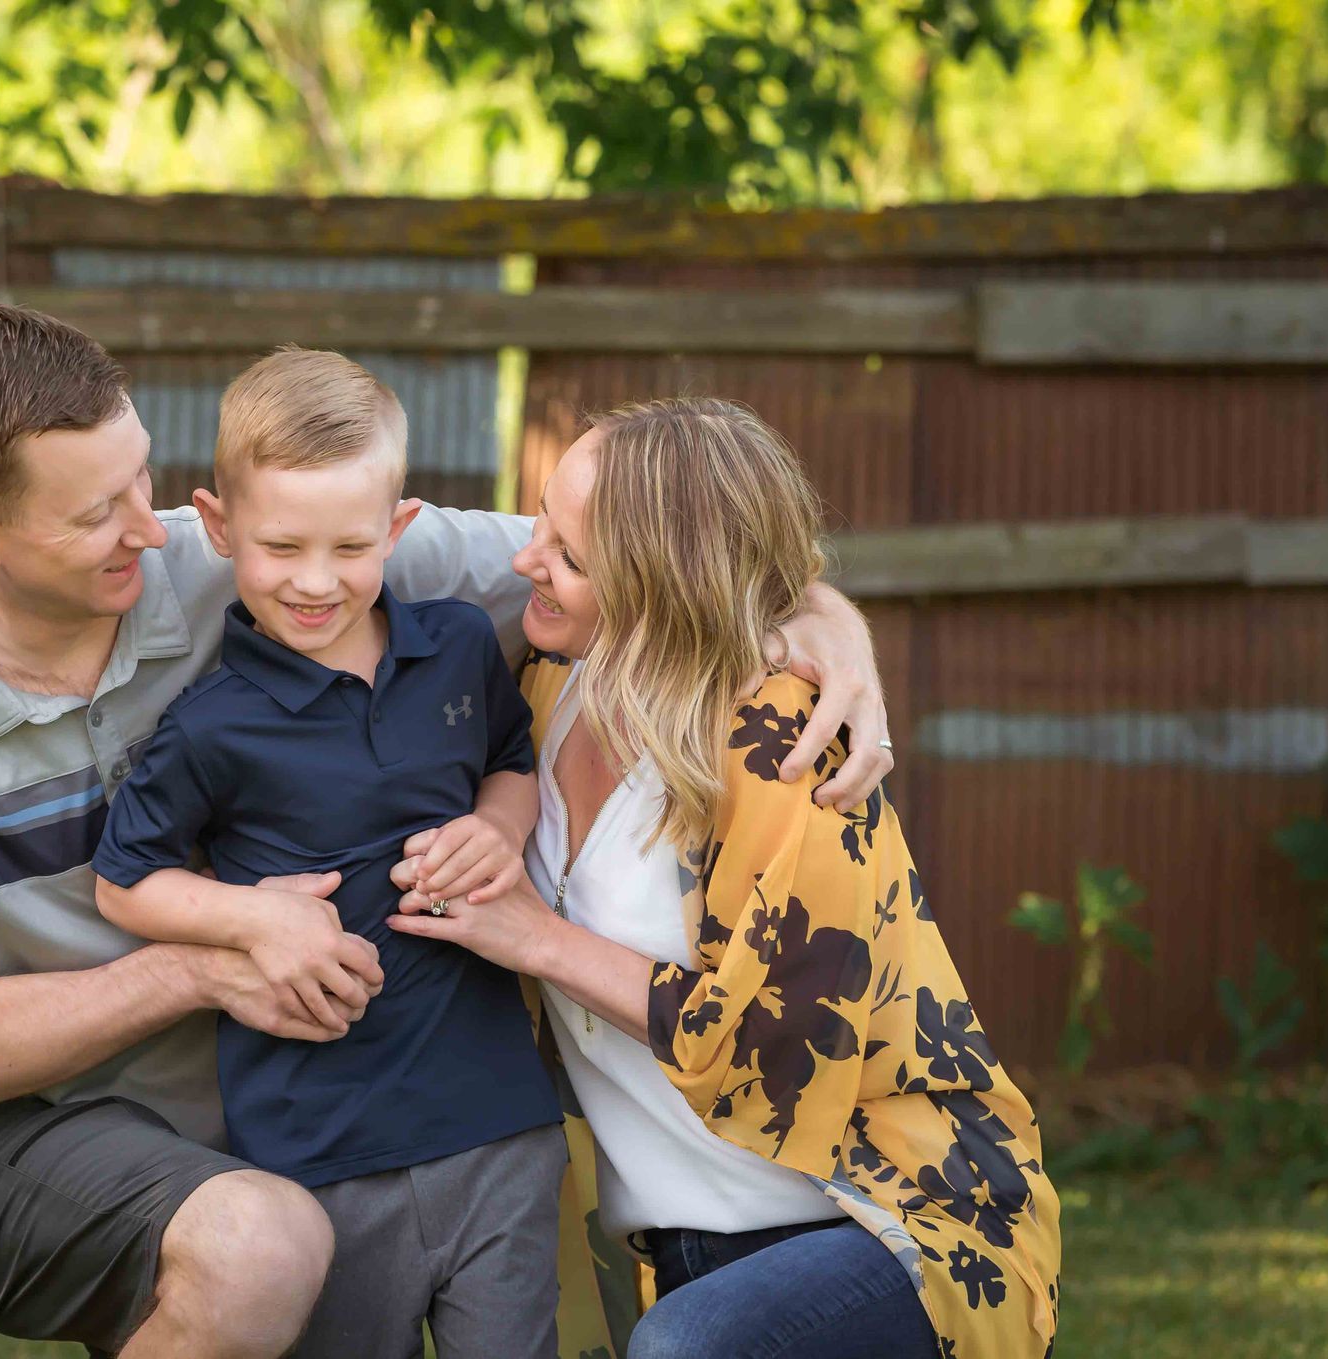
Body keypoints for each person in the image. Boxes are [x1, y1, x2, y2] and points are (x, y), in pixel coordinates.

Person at [0, 302, 894, 1358]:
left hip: (308, 1113)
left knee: (289, 1240)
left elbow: (651, 559)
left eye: (139, 477)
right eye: (96, 515)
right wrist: (209, 962)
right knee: (259, 1246)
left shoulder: (276, 554)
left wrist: (821, 628)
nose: (151, 527)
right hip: (28, 1136)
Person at [385, 397, 1061, 1359]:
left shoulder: (781, 738)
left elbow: (779, 1043)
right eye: (540, 516)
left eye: (571, 555)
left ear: (665, 585)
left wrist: (533, 934)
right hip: (666, 1249)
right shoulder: (544, 682)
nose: (529, 558)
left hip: (882, 1219)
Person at [92, 348, 568, 1359]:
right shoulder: (210, 726)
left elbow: (510, 759)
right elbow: (125, 882)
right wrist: (249, 914)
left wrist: (502, 828)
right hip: (318, 1148)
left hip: (496, 1120)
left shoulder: (458, 646)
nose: (316, 582)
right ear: (218, 529)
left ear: (398, 529)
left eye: (352, 547)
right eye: (279, 547)